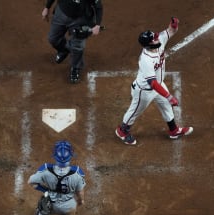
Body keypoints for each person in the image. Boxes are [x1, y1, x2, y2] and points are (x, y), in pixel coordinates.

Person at [115, 17, 193, 145]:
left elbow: (170, 31)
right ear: (148, 44)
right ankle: (122, 131)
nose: (157, 38)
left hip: (158, 84)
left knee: (166, 106)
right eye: (154, 38)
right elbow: (152, 83)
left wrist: (174, 25)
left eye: (155, 36)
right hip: (144, 91)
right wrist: (169, 96)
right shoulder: (146, 59)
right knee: (134, 112)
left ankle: (173, 131)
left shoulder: (159, 41)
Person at [28, 140, 86, 215]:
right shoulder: (77, 173)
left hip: (49, 201)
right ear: (70, 157)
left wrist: (44, 190)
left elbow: (31, 182)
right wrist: (80, 201)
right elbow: (80, 192)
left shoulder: (45, 169)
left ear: (55, 156)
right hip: (68, 204)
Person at [41, 0, 103, 84]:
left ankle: (75, 68)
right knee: (53, 39)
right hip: (61, 12)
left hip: (80, 18)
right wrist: (47, 7)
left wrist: (98, 25)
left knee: (77, 46)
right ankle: (63, 50)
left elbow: (98, 6)